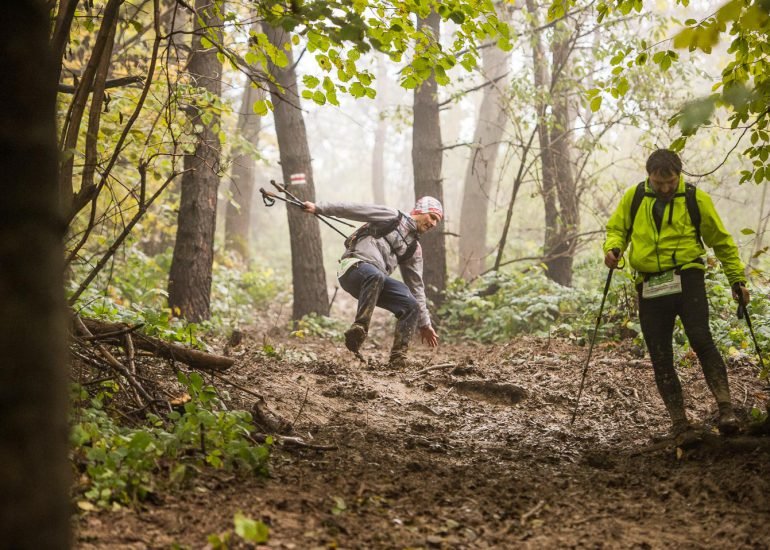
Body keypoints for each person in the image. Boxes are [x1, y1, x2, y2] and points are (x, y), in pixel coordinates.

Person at [604, 149, 749, 442]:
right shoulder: (635, 197)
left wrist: (737, 279)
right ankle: (680, 423)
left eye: (670, 181)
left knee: (702, 340)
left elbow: (721, 241)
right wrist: (613, 248)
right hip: (649, 284)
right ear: (649, 176)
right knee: (660, 354)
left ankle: (726, 411)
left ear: (678, 175)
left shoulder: (695, 198)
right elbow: (617, 229)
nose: (665, 188)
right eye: (659, 183)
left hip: (688, 277)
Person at [302, 196, 441, 368]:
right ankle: (359, 328)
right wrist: (319, 208)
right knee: (376, 275)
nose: (434, 224)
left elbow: (417, 287)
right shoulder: (392, 216)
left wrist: (425, 323)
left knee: (411, 304)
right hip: (353, 269)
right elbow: (353, 208)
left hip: (375, 283)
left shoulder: (414, 249)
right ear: (419, 211)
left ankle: (398, 358)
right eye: (432, 217)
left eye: (437, 221)